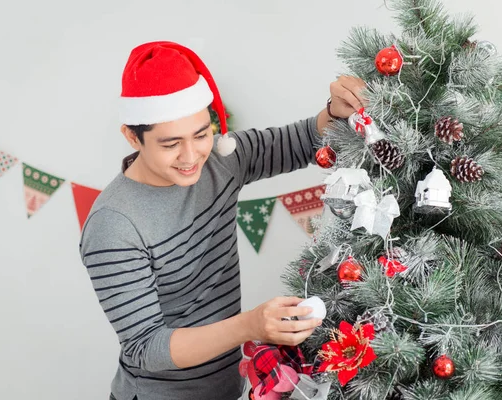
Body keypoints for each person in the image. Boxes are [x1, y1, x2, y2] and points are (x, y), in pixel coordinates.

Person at [79, 41, 365, 400]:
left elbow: (305, 140)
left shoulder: (220, 159)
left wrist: (336, 109)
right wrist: (250, 325)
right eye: (170, 144)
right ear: (132, 137)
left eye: (201, 134)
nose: (191, 156)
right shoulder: (114, 224)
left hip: (228, 388)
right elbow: (146, 348)